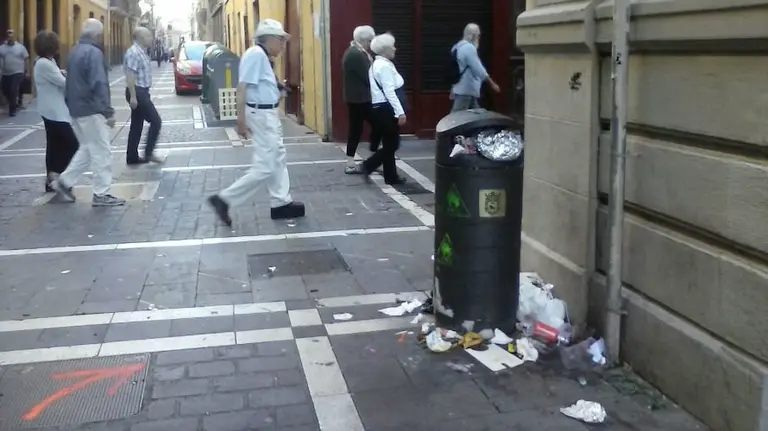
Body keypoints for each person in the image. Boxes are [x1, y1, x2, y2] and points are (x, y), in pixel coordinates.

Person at [207, 19, 305, 226]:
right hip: (261, 115)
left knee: (277, 157)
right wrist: (240, 120)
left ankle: (281, 202)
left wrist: (276, 90)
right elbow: (241, 87)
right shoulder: (255, 55)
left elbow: (258, 85)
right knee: (266, 166)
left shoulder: (262, 56)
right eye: (280, 39)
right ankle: (225, 199)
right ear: (269, 39)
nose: (283, 44)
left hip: (267, 113)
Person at [51, 18, 124, 207]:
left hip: (76, 109)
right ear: (97, 35)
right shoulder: (94, 53)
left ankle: (64, 182)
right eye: (101, 34)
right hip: (91, 109)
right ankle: (101, 193)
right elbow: (99, 83)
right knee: (101, 151)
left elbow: (70, 81)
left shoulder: (74, 51)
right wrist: (108, 112)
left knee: (88, 148)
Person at [33, 30, 80, 192]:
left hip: (52, 110)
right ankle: (56, 175)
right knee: (72, 144)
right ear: (51, 46)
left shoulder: (47, 61)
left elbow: (57, 76)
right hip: (54, 112)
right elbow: (63, 83)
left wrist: (62, 73)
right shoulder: (44, 63)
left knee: (54, 146)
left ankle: (50, 181)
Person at [361, 32, 407, 185]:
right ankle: (369, 165)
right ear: (385, 50)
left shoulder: (375, 65)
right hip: (386, 109)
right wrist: (400, 112)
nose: (395, 49)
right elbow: (389, 91)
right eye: (392, 46)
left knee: (389, 143)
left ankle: (390, 176)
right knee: (392, 144)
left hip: (379, 108)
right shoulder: (385, 66)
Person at [341, 25, 380, 174]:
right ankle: (360, 161)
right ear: (364, 40)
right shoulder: (355, 55)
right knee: (364, 128)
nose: (371, 44)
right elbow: (368, 76)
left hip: (359, 98)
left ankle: (362, 160)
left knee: (358, 129)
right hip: (360, 99)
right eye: (370, 40)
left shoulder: (357, 52)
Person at [124, 27, 163, 165]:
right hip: (137, 91)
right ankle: (148, 153)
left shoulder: (141, 52)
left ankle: (132, 157)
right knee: (156, 121)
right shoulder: (134, 53)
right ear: (141, 37)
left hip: (141, 91)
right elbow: (131, 75)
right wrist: (133, 96)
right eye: (148, 36)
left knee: (136, 124)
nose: (151, 38)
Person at [450, 23, 499, 112]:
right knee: (456, 115)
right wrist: (492, 84)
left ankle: (482, 120)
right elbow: (478, 69)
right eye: (478, 35)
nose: (479, 38)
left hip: (461, 87)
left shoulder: (456, 47)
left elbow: (456, 69)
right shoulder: (469, 48)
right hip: (466, 89)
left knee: (476, 113)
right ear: (473, 36)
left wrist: (453, 88)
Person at [0, 29, 30, 116]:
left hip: (18, 72)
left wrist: (27, 71)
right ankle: (13, 102)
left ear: (14, 37)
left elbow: (26, 59)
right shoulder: (2, 48)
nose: (10, 37)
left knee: (13, 89)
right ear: (7, 37)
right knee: (5, 90)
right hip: (6, 73)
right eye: (9, 35)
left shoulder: (20, 47)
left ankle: (12, 110)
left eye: (12, 35)